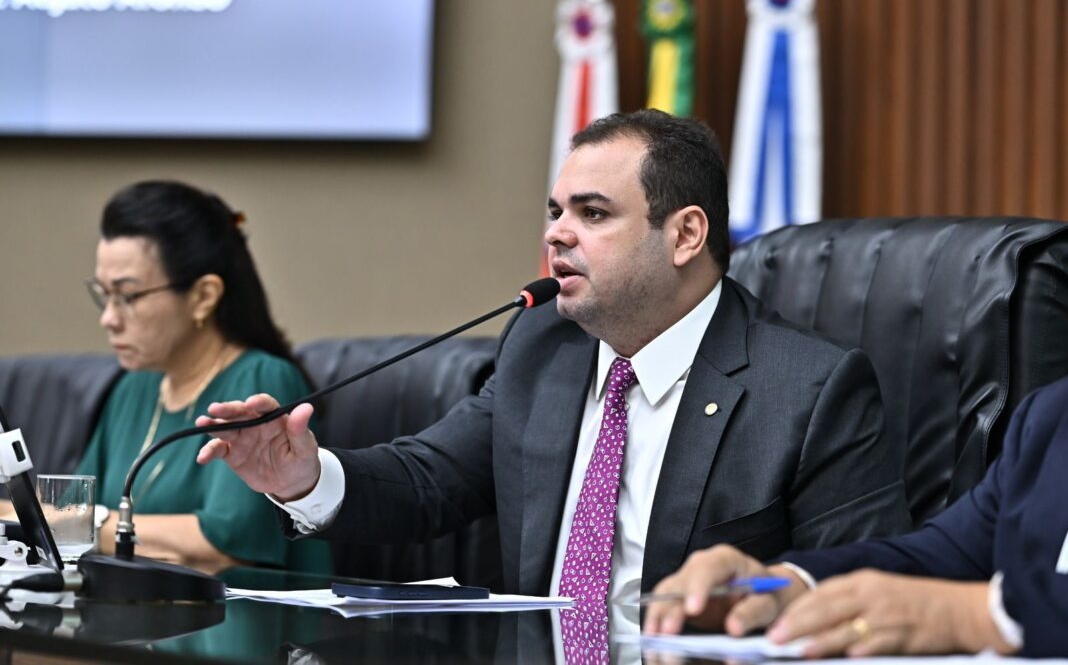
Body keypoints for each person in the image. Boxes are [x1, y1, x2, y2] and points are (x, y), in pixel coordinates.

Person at [197, 110, 911, 605]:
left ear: (686, 234)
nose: (557, 237)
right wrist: (301, 475)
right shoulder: (546, 350)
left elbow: (852, 591)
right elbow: (429, 480)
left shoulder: (810, 390)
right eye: (555, 212)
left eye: (592, 214)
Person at [642, 375, 1068, 658]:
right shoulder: (1051, 415)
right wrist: (788, 586)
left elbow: (954, 605)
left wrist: (975, 617)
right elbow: (945, 553)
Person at [80, 180, 329, 572]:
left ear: (203, 297)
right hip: (136, 623)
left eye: (127, 296)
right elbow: (70, 508)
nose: (108, 319)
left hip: (245, 626)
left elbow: (224, 544)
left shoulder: (262, 381)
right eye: (103, 295)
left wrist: (84, 528)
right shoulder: (133, 386)